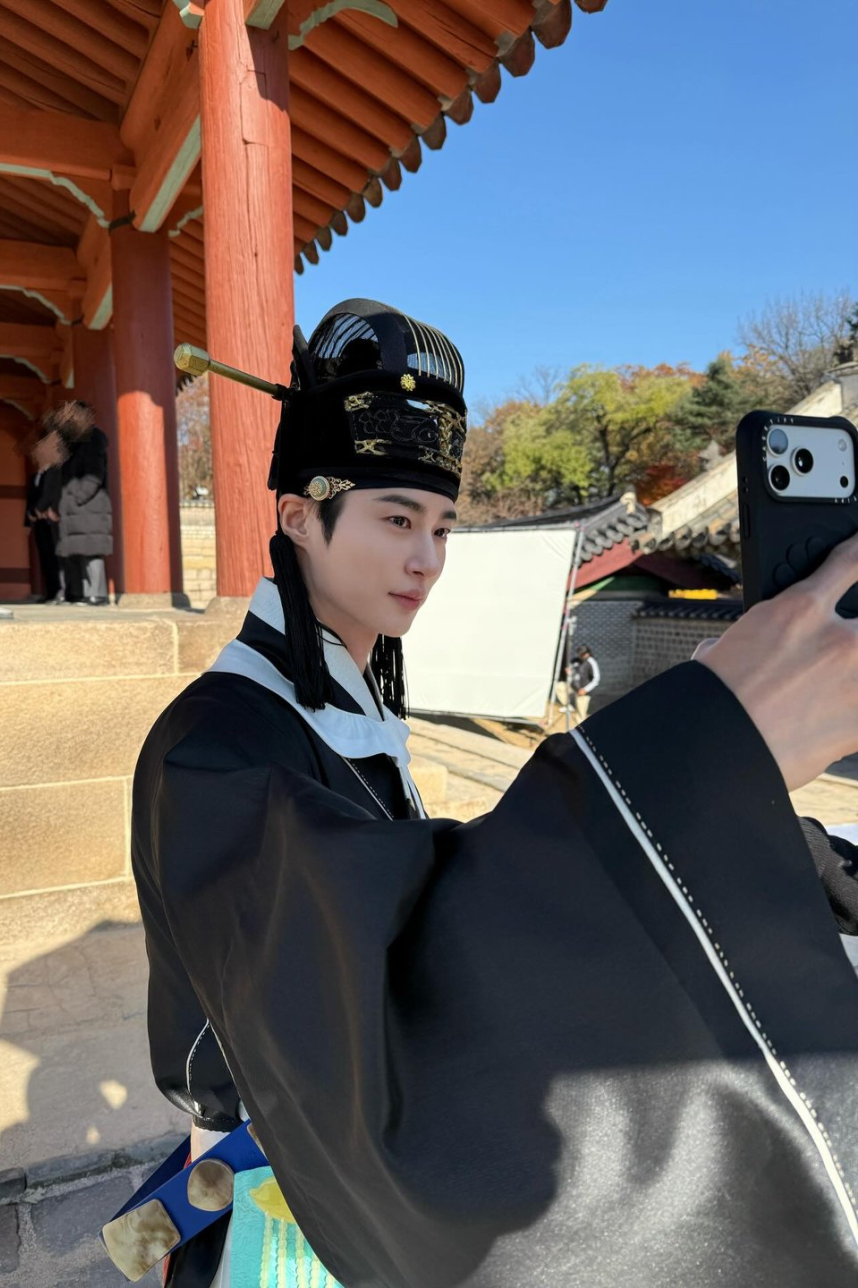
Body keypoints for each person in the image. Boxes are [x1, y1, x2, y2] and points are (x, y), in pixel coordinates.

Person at [126, 300, 858, 1288]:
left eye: (441, 526)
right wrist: (699, 761)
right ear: (298, 517)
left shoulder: (347, 694)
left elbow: (421, 885)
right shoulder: (215, 749)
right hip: (286, 1176)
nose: (426, 558)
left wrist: (773, 843)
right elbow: (373, 1002)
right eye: (396, 520)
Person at [46, 400, 112, 606]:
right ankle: (76, 593)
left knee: (91, 550)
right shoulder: (71, 443)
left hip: (89, 506)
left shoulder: (93, 438)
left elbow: (95, 473)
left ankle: (97, 594)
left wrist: (79, 496)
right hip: (71, 506)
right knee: (72, 551)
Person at [25, 429, 66, 604]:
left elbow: (52, 494)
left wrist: (43, 508)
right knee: (44, 557)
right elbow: (31, 499)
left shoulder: (55, 471)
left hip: (51, 519)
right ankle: (49, 592)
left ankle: (59, 591)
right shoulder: (35, 476)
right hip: (38, 522)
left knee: (55, 556)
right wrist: (29, 516)